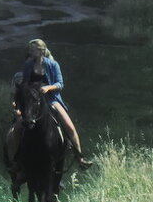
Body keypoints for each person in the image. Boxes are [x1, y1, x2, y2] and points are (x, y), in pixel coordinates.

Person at [6, 38, 93, 170]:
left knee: (69, 126)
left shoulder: (53, 65)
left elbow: (60, 84)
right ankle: (15, 161)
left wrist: (48, 88)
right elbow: (24, 86)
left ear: (40, 51)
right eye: (30, 52)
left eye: (33, 51)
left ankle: (79, 157)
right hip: (33, 102)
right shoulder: (28, 66)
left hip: (51, 100)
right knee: (17, 128)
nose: (31, 54)